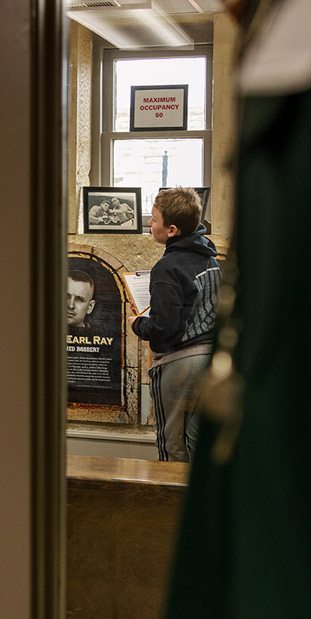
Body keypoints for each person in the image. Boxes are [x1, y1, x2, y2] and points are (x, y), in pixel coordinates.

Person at [130, 187, 221, 462]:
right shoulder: (210, 257)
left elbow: (164, 329)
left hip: (181, 365)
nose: (149, 223)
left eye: (154, 219)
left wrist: (138, 324)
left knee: (172, 444)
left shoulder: (167, 267)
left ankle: (171, 505)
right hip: (211, 360)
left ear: (171, 230)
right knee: (197, 443)